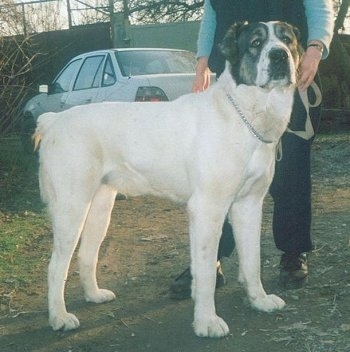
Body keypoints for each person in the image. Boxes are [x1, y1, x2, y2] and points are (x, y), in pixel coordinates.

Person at [170, 0, 334, 299]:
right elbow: (212, 12)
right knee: (224, 177)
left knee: (291, 171)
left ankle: (292, 252)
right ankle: (211, 261)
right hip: (240, 80)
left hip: (291, 77)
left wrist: (314, 50)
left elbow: (320, 6)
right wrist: (203, 60)